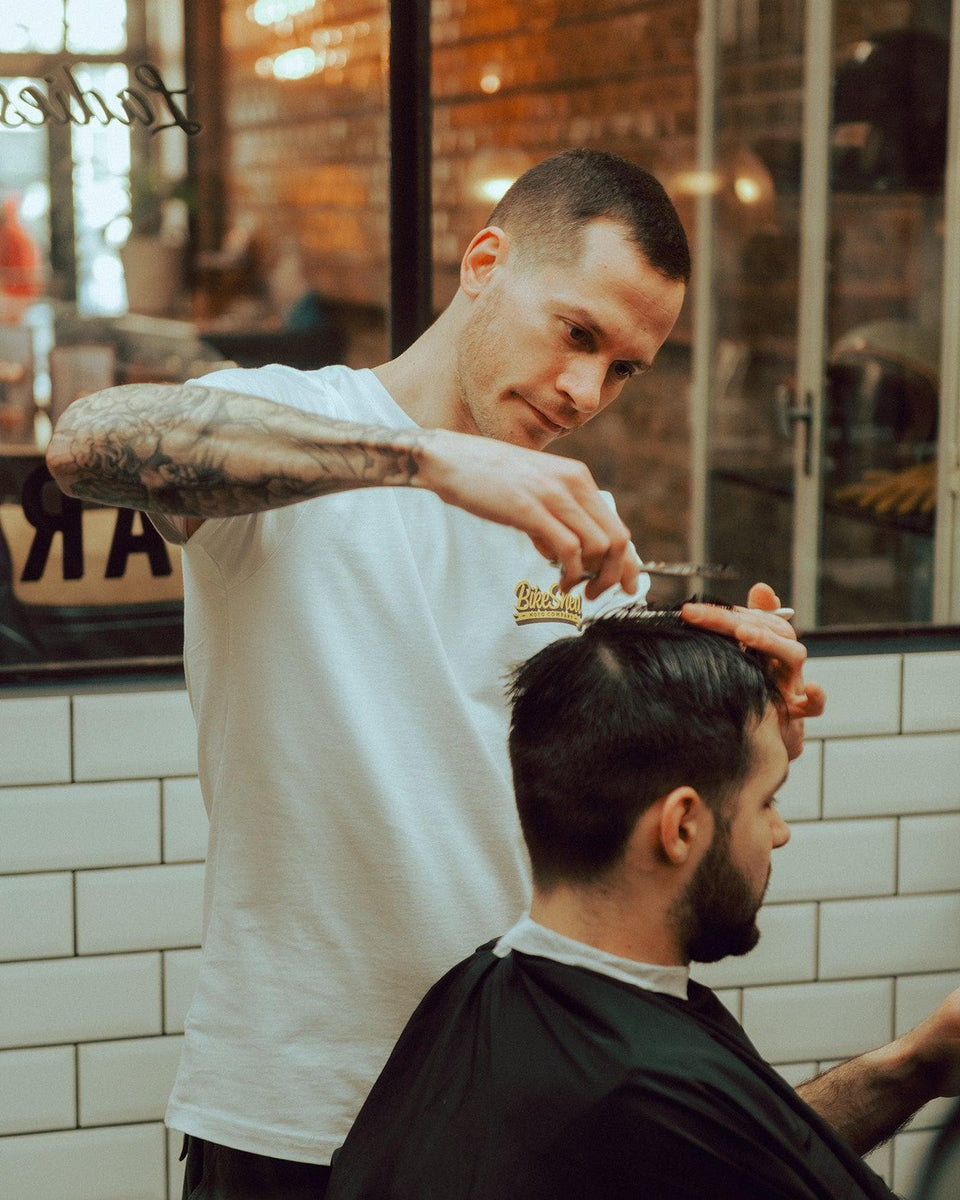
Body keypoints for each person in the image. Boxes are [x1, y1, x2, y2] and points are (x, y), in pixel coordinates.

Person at [44, 149, 824, 1198]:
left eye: (624, 369)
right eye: (577, 333)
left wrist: (751, 740)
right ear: (485, 265)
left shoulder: (576, 524)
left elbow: (616, 810)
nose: (586, 392)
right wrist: (427, 461)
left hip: (510, 1102)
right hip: (295, 1104)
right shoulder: (290, 414)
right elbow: (86, 444)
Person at [326, 609, 960, 1200]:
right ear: (681, 826)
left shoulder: (477, 993)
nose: (779, 832)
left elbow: (737, 1151)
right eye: (768, 800)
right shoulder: (640, 1090)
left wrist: (919, 1063)